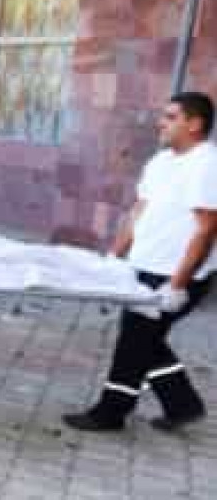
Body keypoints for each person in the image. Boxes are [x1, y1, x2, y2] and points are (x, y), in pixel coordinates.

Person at [64, 92, 217, 432]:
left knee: (135, 341)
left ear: (195, 124)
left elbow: (207, 229)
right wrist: (114, 257)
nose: (160, 123)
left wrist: (178, 285)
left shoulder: (207, 165)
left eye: (171, 117)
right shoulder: (161, 162)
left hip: (175, 275)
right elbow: (138, 213)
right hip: (142, 267)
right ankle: (182, 406)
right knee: (146, 340)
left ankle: (110, 413)